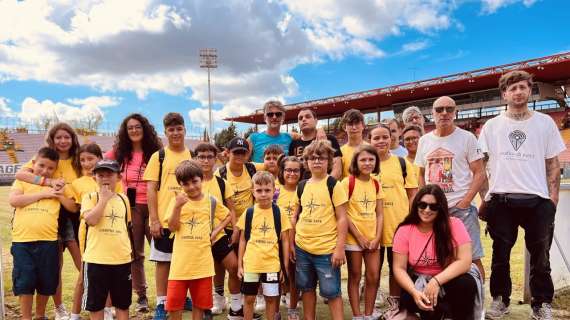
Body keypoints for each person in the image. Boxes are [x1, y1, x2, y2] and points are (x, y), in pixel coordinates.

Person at [479, 70, 565, 320]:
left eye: (522, 87)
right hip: (502, 200)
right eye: (512, 88)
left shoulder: (545, 122)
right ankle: (499, 299)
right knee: (500, 255)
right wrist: (486, 197)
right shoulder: (492, 126)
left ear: (530, 90)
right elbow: (481, 164)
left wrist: (553, 199)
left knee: (541, 257)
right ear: (504, 94)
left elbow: (553, 163)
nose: (518, 92)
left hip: (537, 200)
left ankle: (541, 304)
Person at [415, 96, 486, 280]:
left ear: (456, 112)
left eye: (449, 109)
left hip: (461, 209)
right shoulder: (424, 141)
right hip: (435, 210)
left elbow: (479, 172)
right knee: (440, 258)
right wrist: (424, 203)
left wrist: (466, 202)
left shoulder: (467, 138)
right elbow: (421, 174)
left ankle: (477, 306)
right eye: (439, 109)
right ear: (432, 114)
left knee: (472, 259)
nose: (444, 113)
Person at [16, 122, 82, 320]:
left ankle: (104, 304)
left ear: (73, 139)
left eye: (67, 137)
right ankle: (59, 307)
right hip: (49, 213)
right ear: (52, 140)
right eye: (58, 137)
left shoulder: (78, 158)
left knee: (84, 262)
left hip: (72, 212)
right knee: (55, 266)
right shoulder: (44, 156)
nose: (63, 141)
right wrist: (48, 182)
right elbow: (21, 174)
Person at [393, 184, 481, 320]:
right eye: (422, 205)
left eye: (433, 206)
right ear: (416, 205)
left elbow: (465, 261)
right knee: (409, 296)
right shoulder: (405, 230)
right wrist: (415, 292)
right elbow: (399, 268)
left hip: (449, 277)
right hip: (419, 280)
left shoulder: (454, 224)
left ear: (441, 208)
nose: (427, 210)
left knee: (466, 284)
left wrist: (435, 282)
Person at [105, 113, 162, 313]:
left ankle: (167, 295)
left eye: (138, 126)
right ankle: (142, 296)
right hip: (132, 208)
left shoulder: (156, 152)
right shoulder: (118, 153)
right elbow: (100, 165)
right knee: (135, 254)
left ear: (144, 129)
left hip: (156, 207)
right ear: (125, 131)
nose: (134, 130)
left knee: (163, 253)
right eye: (130, 128)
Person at [165, 160, 230, 320]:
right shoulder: (176, 201)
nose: (192, 187)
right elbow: (172, 227)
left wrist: (215, 233)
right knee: (174, 305)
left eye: (195, 181)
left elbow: (228, 216)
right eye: (186, 184)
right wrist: (178, 207)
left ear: (202, 179)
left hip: (203, 265)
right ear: (180, 185)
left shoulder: (211, 200)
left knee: (199, 306)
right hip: (180, 266)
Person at [143, 112, 193, 319]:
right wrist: (153, 219)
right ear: (165, 132)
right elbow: (151, 189)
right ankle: (163, 302)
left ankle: (183, 297)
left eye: (178, 128)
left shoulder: (191, 155)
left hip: (188, 220)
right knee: (163, 262)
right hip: (164, 219)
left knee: (186, 260)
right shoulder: (159, 156)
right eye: (171, 130)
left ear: (184, 130)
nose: (175, 133)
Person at [293, 140, 348, 320]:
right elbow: (295, 216)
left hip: (326, 249)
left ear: (329, 161)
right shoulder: (302, 186)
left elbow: (342, 218)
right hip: (302, 248)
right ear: (306, 161)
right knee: (306, 288)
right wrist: (293, 243)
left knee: (331, 292)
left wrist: (339, 248)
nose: (317, 161)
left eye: (321, 158)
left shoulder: (334, 184)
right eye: (312, 158)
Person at [193, 143, 247, 318]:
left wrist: (225, 229)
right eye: (201, 156)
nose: (205, 160)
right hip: (196, 236)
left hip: (220, 233)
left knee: (232, 266)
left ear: (216, 158)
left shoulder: (221, 182)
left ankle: (236, 305)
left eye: (209, 156)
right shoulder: (191, 182)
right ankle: (215, 301)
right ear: (195, 158)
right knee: (207, 271)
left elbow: (231, 210)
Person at [369, 124, 418, 316]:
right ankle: (370, 307)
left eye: (384, 137)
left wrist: (409, 220)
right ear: (370, 141)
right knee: (373, 272)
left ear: (391, 139)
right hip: (373, 229)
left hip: (399, 227)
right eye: (376, 138)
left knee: (397, 270)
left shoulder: (402, 163)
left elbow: (412, 195)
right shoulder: (366, 164)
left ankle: (394, 305)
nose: (381, 141)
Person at [70, 143, 122, 320]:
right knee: (84, 277)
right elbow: (79, 210)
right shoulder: (79, 184)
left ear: (100, 158)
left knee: (107, 276)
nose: (86, 163)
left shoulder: (115, 182)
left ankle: (107, 310)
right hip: (89, 237)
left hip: (111, 238)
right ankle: (74, 313)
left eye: (90, 158)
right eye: (82, 159)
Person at [80, 159, 132, 320]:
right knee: (96, 305)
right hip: (96, 260)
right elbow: (91, 220)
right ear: (94, 177)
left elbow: (126, 227)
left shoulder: (124, 199)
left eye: (109, 174)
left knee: (123, 304)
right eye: (100, 175)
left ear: (119, 177)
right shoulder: (90, 197)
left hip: (121, 260)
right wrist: (103, 199)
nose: (105, 179)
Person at [237, 171, 291, 320]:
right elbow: (243, 240)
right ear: (252, 192)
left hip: (272, 265)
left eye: (267, 190)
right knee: (248, 299)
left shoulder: (279, 213)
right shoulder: (248, 213)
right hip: (251, 264)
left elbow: (285, 240)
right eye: (259, 190)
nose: (263, 194)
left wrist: (284, 266)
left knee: (271, 299)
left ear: (274, 190)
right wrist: (240, 265)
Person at [341, 145, 384, 319]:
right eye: (363, 160)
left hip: (373, 238)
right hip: (353, 239)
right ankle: (357, 315)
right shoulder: (347, 182)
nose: (367, 163)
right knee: (355, 275)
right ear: (356, 162)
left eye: (371, 159)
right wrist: (358, 236)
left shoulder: (375, 183)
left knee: (373, 275)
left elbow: (380, 214)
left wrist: (377, 237)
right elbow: (343, 213)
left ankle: (368, 313)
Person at [275, 156, 304, 320]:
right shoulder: (275, 190)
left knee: (294, 278)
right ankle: (276, 310)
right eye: (288, 170)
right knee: (277, 277)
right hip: (277, 241)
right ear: (282, 171)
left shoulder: (304, 189)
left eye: (296, 170)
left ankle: (293, 309)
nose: (292, 173)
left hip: (298, 241)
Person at [289, 108, 343, 179]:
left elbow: (337, 169)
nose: (304, 119)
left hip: (324, 187)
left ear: (316, 121)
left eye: (308, 116)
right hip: (302, 188)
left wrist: (325, 185)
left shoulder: (329, 139)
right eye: (300, 118)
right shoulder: (293, 144)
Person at [340, 109, 367, 179]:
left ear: (363, 126)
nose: (354, 127)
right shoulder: (340, 152)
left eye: (357, 123)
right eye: (350, 124)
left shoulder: (372, 149)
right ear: (344, 127)